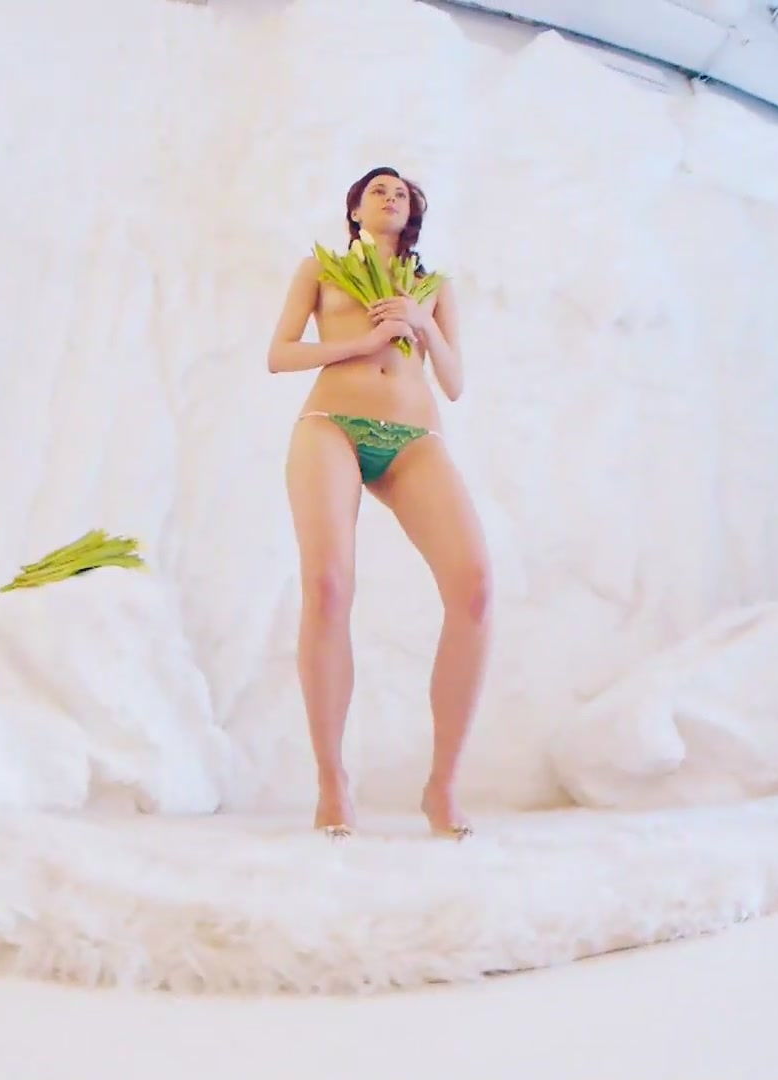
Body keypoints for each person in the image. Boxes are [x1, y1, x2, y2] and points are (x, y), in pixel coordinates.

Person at [267, 166, 492, 841]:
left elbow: (455, 382)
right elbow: (279, 354)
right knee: (329, 586)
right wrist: (362, 343)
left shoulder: (433, 287)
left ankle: (442, 787)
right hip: (331, 427)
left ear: (413, 212)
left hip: (413, 438)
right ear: (355, 211)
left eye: (401, 193)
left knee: (475, 588)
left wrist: (421, 323)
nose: (390, 197)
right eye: (377, 191)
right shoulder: (321, 269)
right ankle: (332, 782)